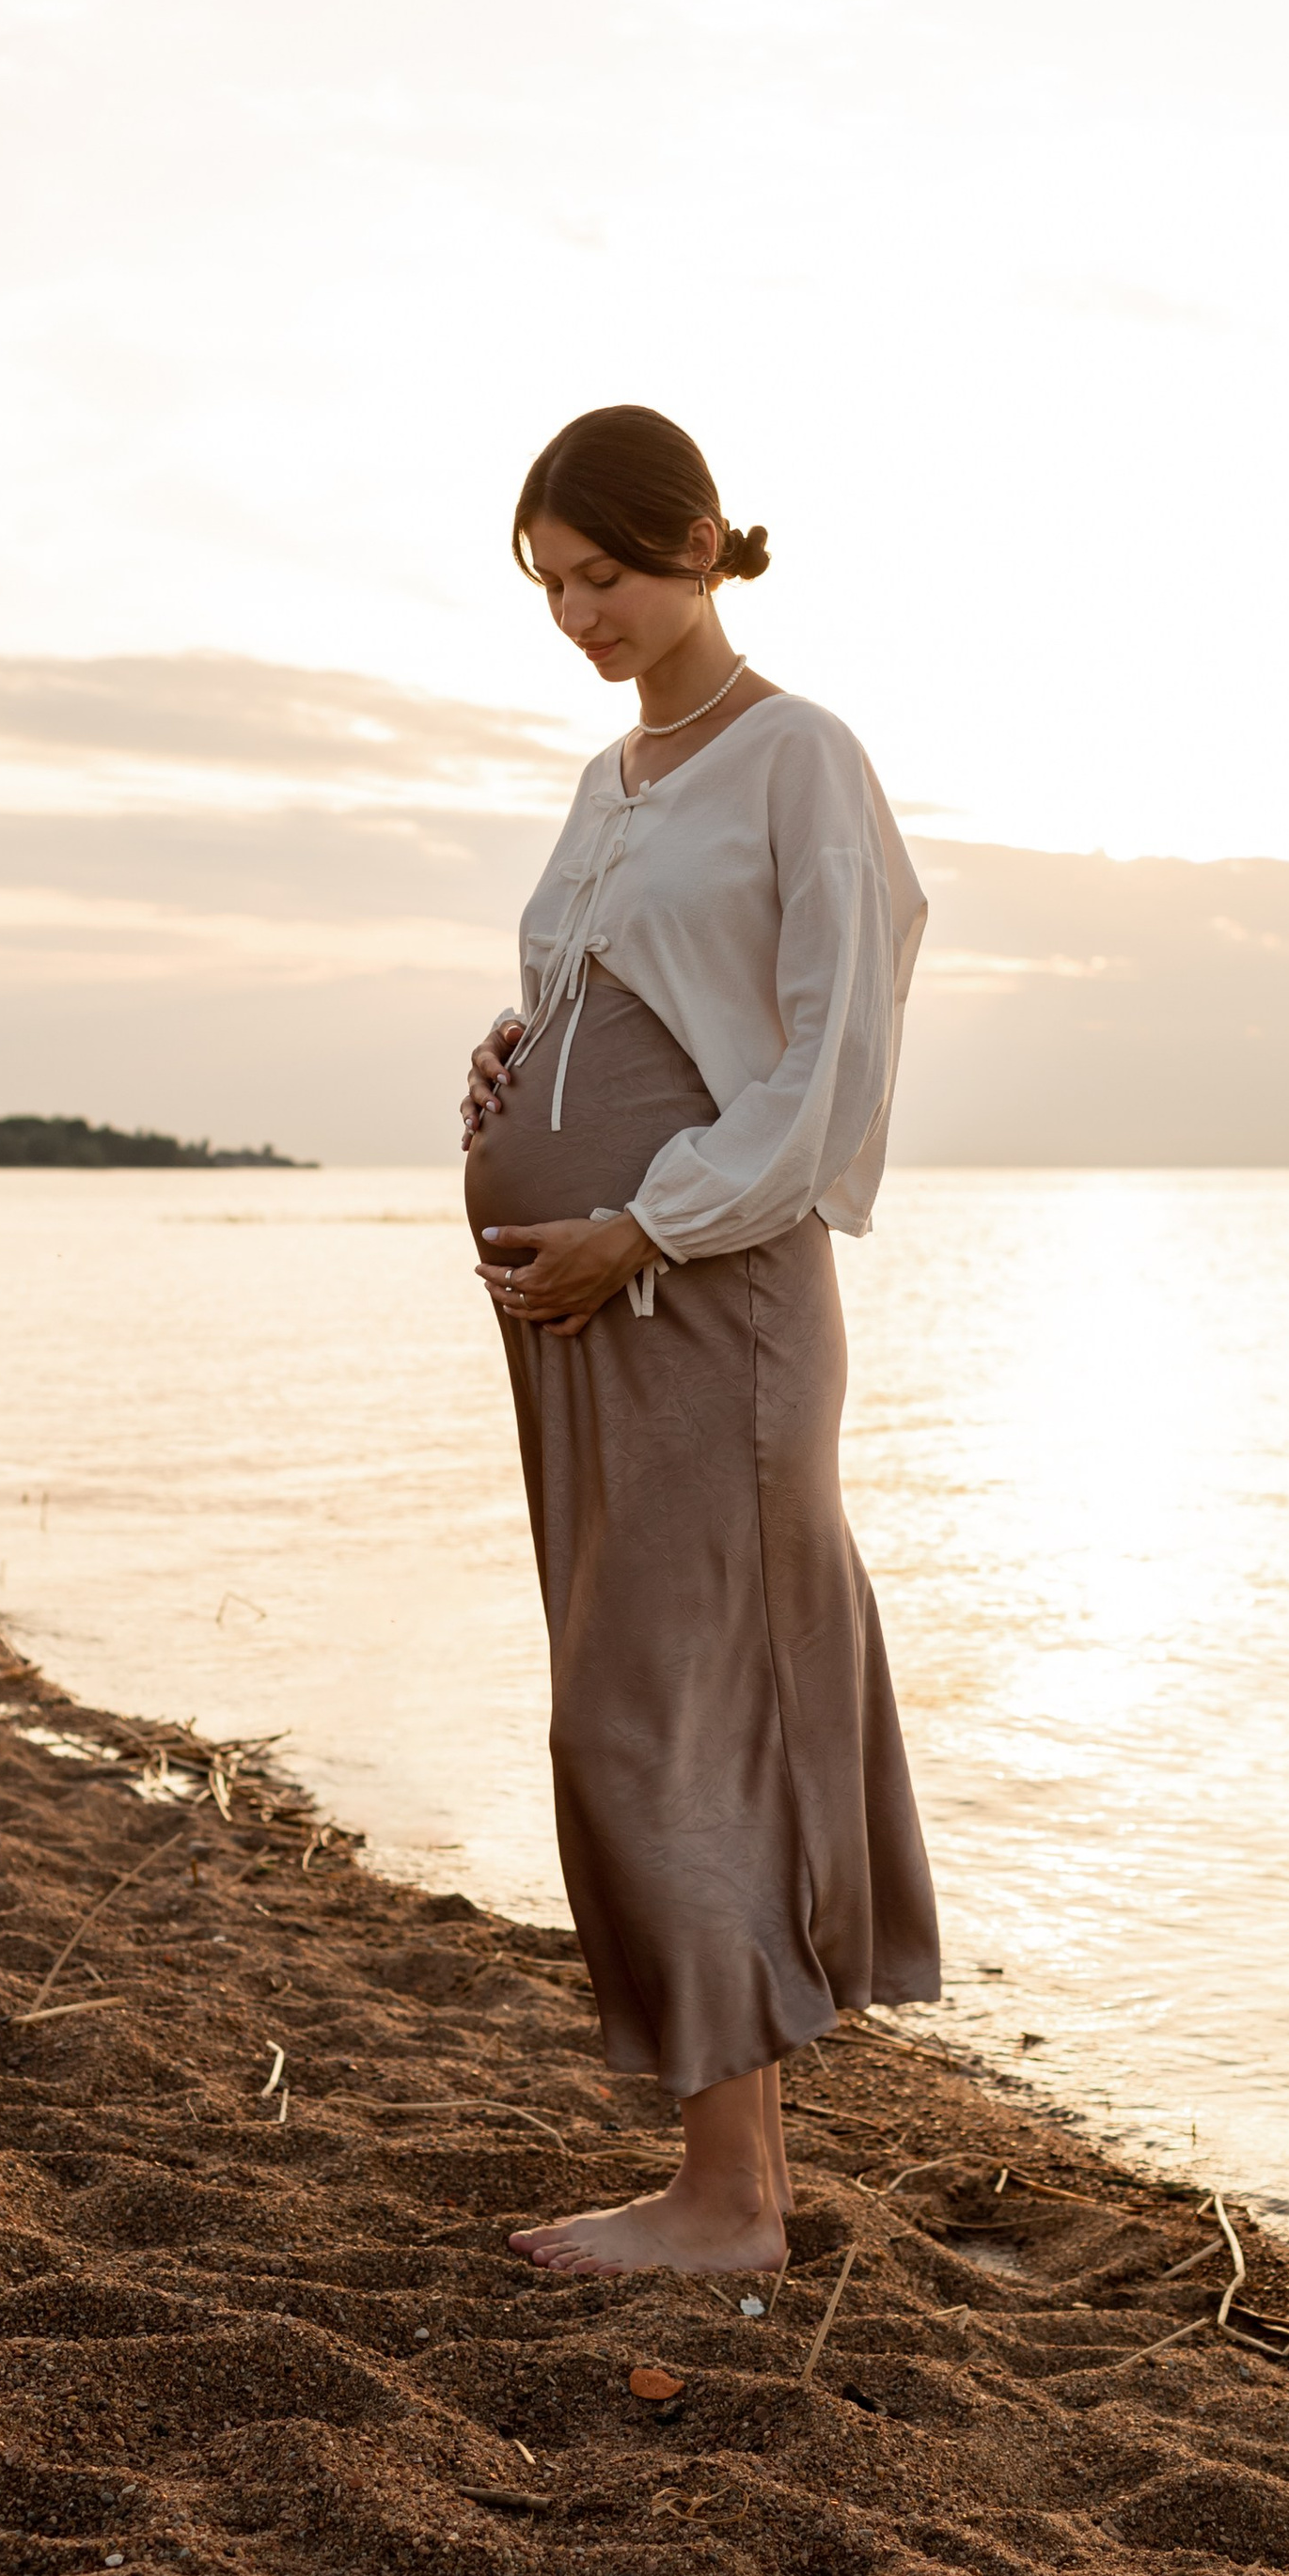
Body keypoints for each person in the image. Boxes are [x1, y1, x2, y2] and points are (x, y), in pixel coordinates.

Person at [461, 402, 940, 2278]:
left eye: (607, 572)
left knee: (650, 1712)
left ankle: (730, 2201)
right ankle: (718, 2172)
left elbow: (829, 1061)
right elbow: (614, 995)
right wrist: (512, 1054)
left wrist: (637, 1225)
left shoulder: (794, 756)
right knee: (631, 1704)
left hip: (699, 1298)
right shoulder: (611, 778)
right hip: (577, 1299)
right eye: (551, 584)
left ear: (699, 545)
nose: (579, 612)